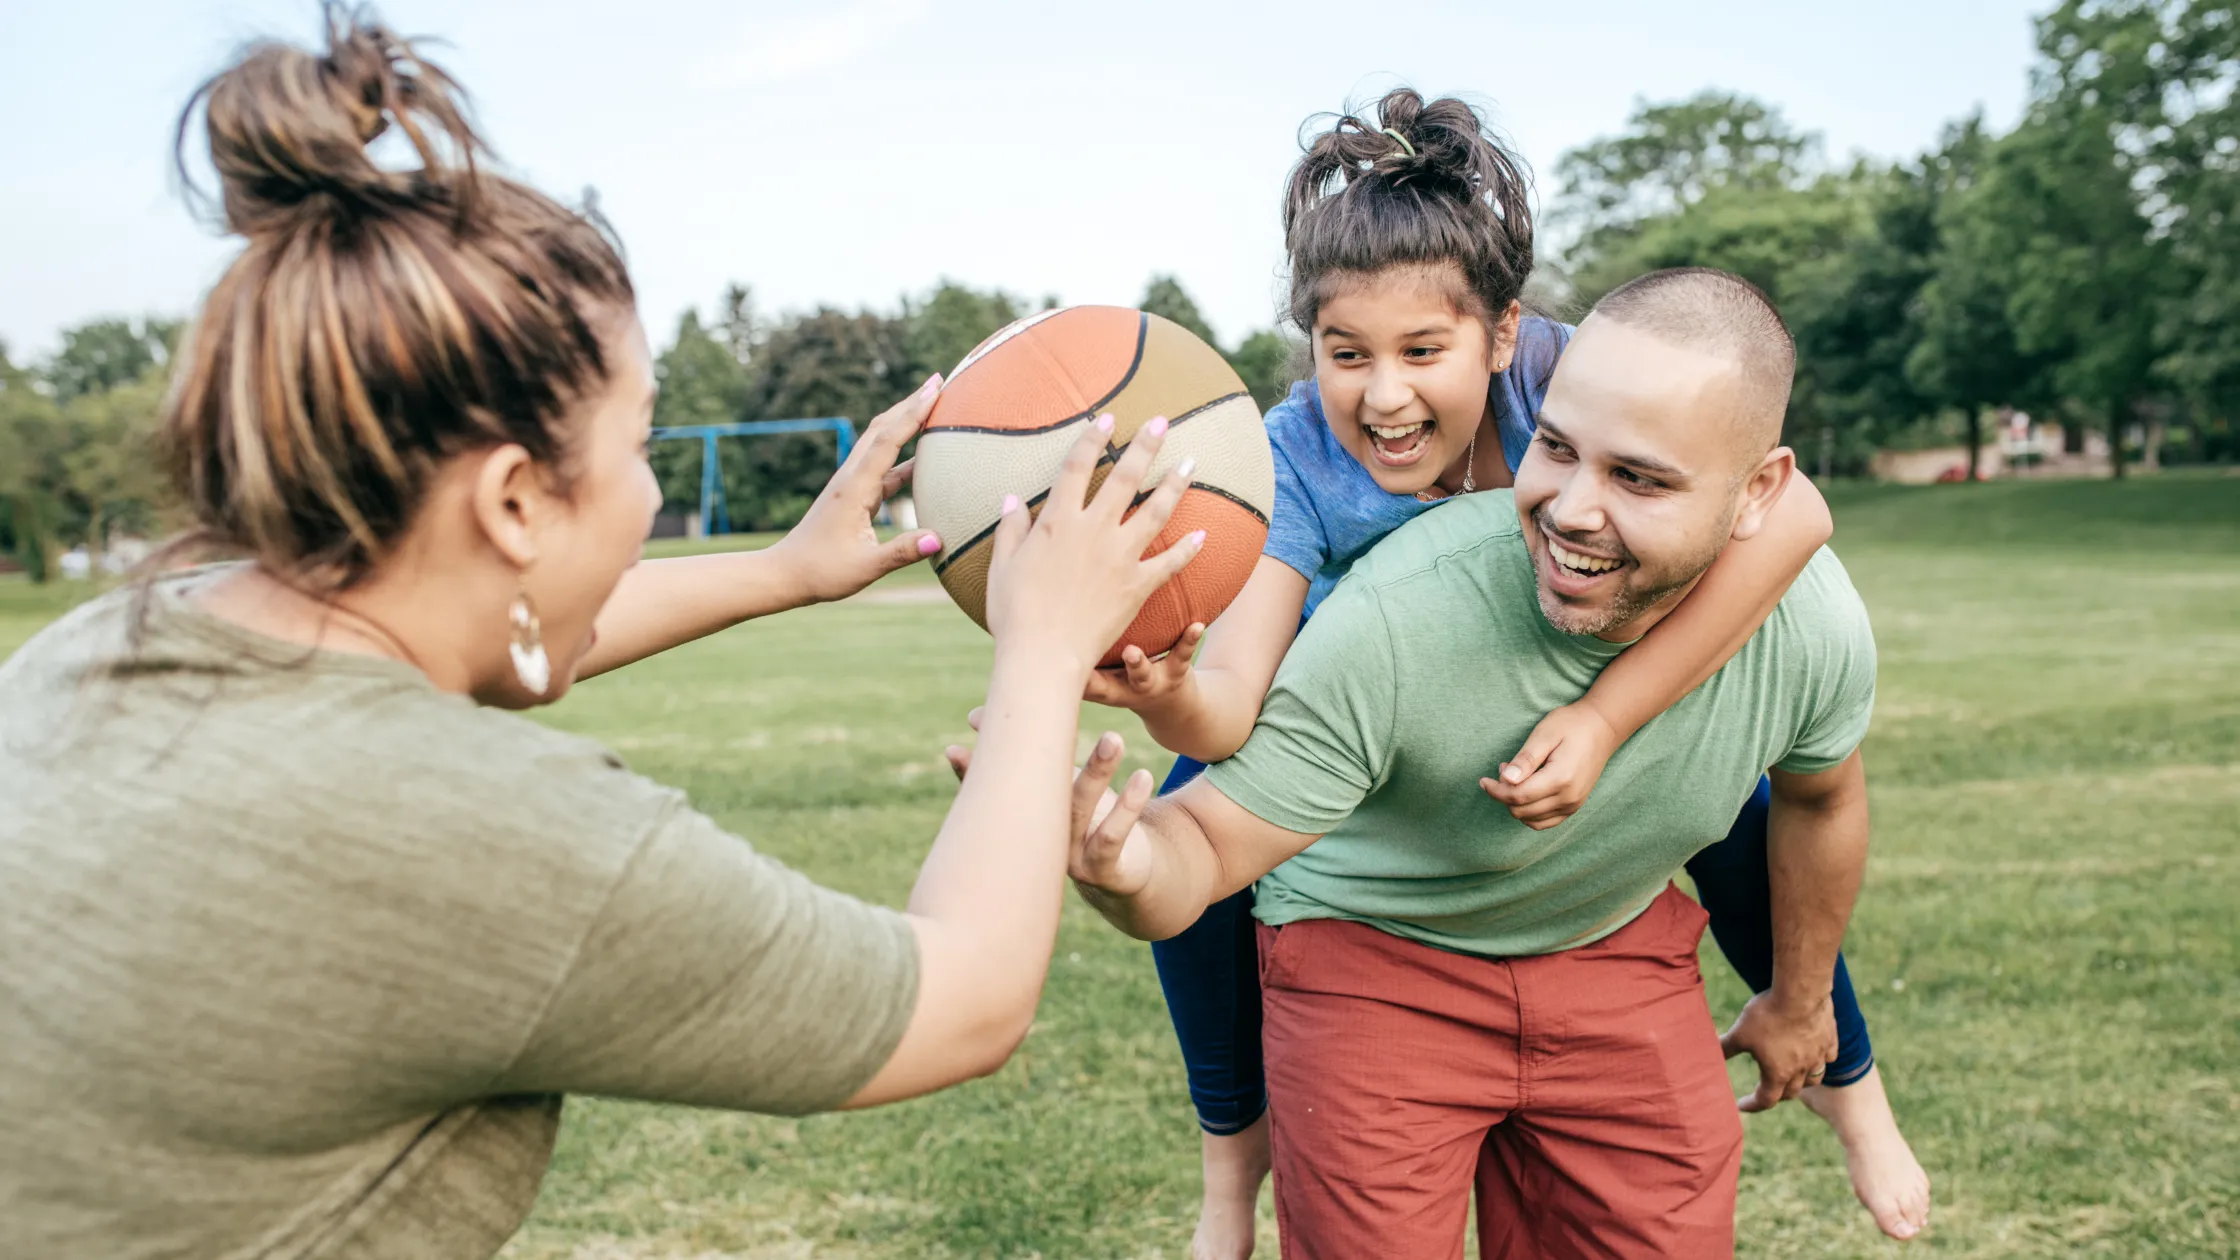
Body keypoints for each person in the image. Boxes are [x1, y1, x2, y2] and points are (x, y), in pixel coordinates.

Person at [0, 12, 1198, 1259]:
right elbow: (962, 999)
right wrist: (1040, 652)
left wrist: (782, 574)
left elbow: (463, 635)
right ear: (515, 500)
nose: (648, 487)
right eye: (639, 443)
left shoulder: (101, 652)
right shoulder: (492, 833)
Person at [1075, 90, 1927, 1254]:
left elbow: (1795, 520)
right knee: (1188, 819)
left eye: (1421, 351)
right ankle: (1231, 1169)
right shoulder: (1294, 454)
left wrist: (1607, 718)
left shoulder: (1566, 377)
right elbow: (1230, 707)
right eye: (1344, 353)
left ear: (1501, 335)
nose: (1382, 393)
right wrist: (1173, 693)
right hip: (1358, 727)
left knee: (1743, 797)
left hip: (1577, 683)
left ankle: (1850, 1084)